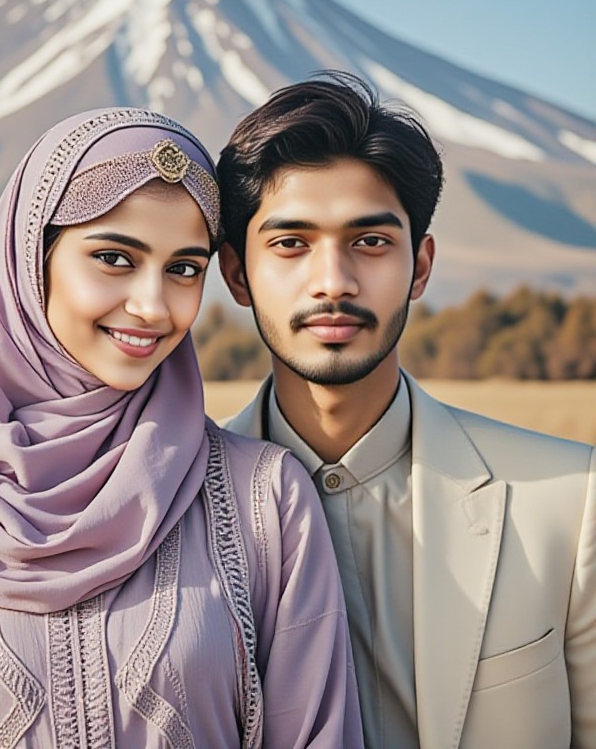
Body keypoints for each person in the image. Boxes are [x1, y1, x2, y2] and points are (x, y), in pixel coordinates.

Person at [0, 107, 363, 748]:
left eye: (184, 268)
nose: (153, 306)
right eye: (114, 257)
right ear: (31, 261)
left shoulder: (265, 499)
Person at [217, 73, 596, 749]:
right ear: (237, 274)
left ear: (420, 267)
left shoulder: (570, 501)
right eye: (291, 243)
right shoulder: (174, 513)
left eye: (370, 241)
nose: (333, 282)